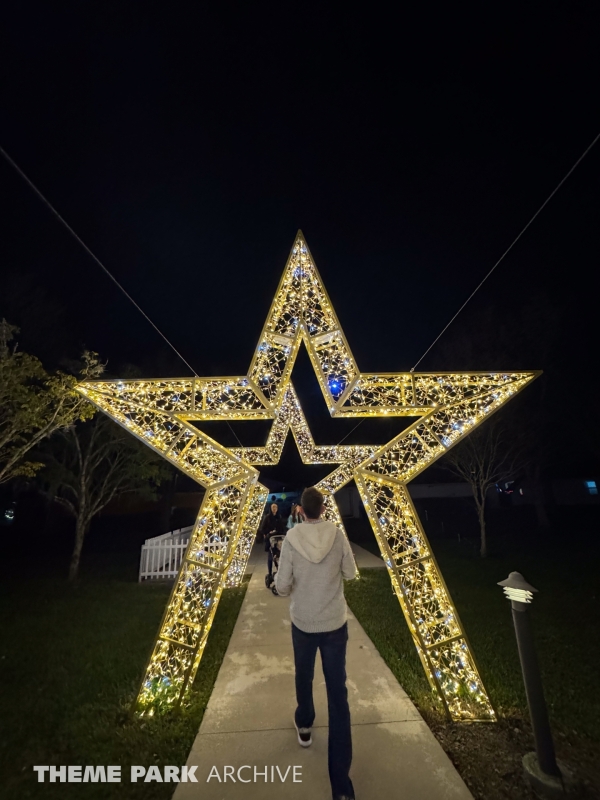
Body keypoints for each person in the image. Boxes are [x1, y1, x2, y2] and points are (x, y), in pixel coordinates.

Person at [275, 487, 358, 800]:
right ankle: (341, 789)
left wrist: (293, 585)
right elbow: (350, 574)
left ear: (301, 510)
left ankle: (305, 723)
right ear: (323, 508)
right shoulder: (337, 535)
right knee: (338, 696)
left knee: (304, 675)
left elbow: (282, 586)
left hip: (304, 623)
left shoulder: (293, 539)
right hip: (335, 624)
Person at [260, 502, 284, 579]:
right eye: (273, 507)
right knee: (270, 556)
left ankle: (280, 571)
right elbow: (263, 528)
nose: (274, 509)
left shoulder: (279, 517)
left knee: (279, 555)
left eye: (275, 507)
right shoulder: (267, 517)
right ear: (271, 508)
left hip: (278, 538)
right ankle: (270, 573)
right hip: (270, 538)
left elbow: (281, 527)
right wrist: (269, 532)